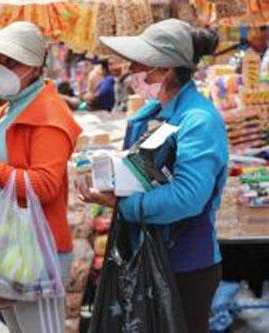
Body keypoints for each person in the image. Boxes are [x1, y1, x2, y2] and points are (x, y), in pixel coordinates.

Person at [78, 19, 227, 333]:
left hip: (185, 267)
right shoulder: (150, 115)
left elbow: (188, 198)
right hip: (145, 255)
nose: (132, 70)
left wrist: (123, 204)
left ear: (167, 69)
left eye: (140, 64)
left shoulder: (199, 120)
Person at [0, 21, 81, 333]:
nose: (1, 68)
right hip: (6, 246)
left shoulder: (49, 117)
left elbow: (46, 186)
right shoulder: (8, 110)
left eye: (12, 61)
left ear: (36, 67)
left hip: (37, 251)